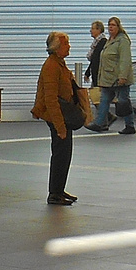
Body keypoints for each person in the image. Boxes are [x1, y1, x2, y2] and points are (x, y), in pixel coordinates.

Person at [33, 32, 90, 205]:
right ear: (57, 48)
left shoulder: (59, 64)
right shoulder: (51, 66)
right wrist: (60, 127)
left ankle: (59, 189)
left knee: (65, 155)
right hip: (58, 117)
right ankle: (54, 194)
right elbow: (50, 99)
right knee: (60, 155)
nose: (69, 46)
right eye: (66, 44)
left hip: (62, 117)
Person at [88, 16, 135, 134]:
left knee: (123, 101)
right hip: (107, 78)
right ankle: (99, 123)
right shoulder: (109, 41)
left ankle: (130, 125)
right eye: (109, 25)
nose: (110, 27)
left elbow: (125, 60)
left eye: (113, 25)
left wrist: (122, 76)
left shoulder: (122, 40)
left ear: (118, 27)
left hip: (118, 78)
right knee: (104, 100)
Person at [84, 20, 107, 115]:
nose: (91, 30)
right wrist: (88, 72)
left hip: (99, 75)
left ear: (99, 30)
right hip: (95, 74)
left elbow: (96, 59)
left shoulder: (102, 42)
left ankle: (105, 119)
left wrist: (88, 73)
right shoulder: (96, 43)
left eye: (93, 28)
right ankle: (105, 118)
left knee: (97, 98)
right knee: (96, 97)